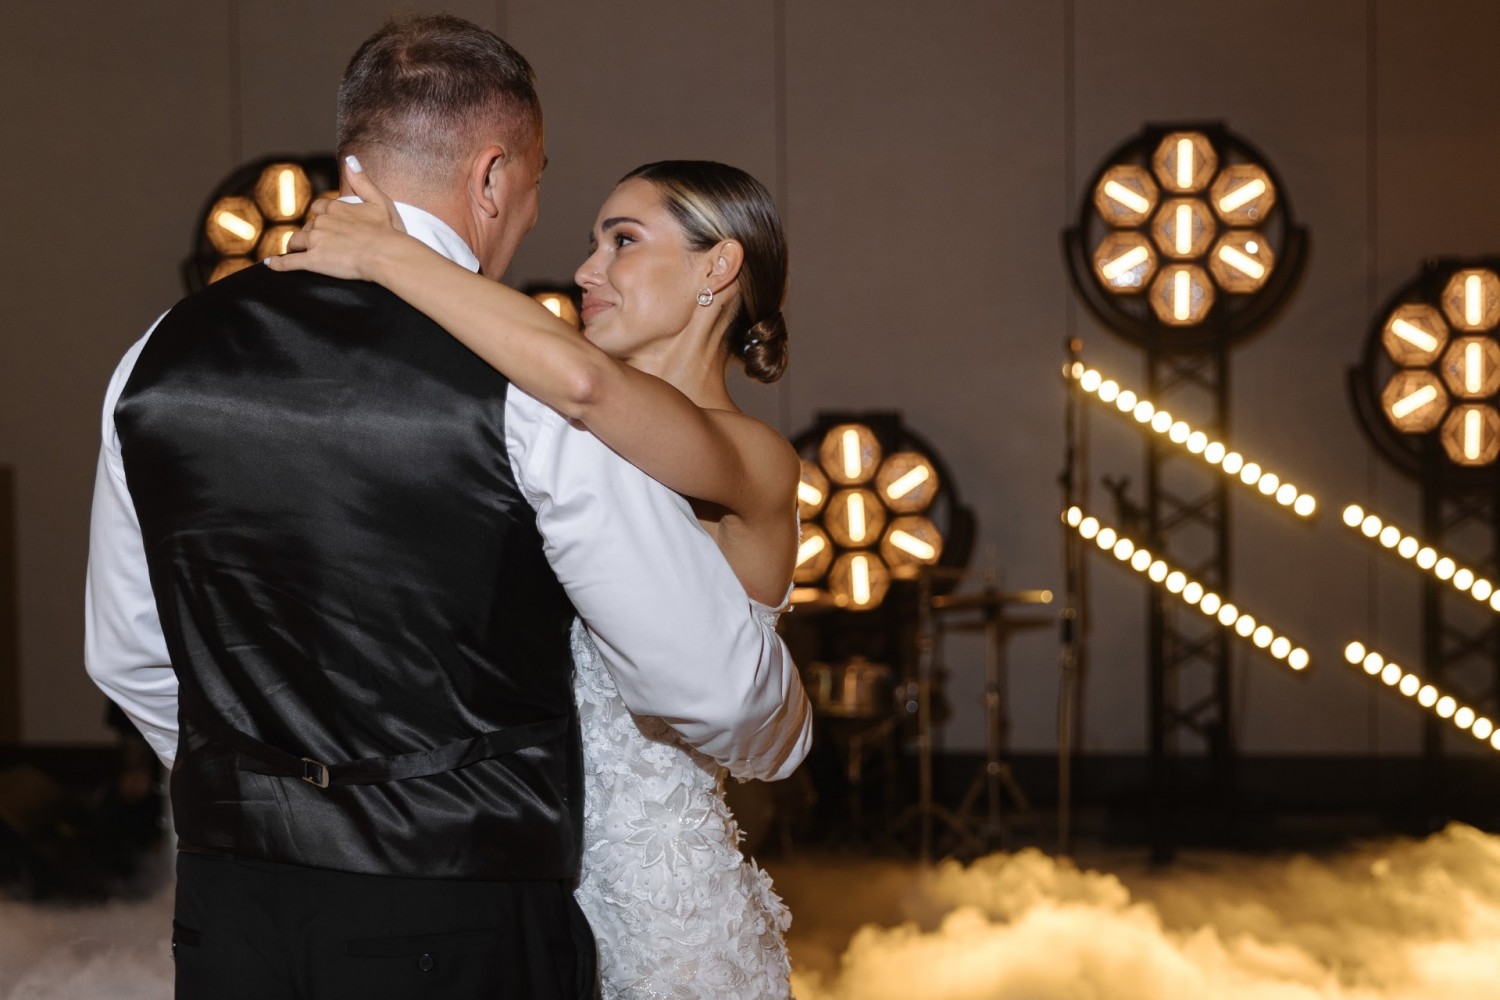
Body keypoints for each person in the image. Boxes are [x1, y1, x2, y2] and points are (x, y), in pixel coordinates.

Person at [83, 15, 809, 1000]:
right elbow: (716, 689)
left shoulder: (154, 356)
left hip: (234, 906)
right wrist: (789, 735)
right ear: (493, 177)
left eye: (621, 240)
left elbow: (128, 656)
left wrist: (270, 798)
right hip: (455, 906)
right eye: (541, 187)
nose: (565, 248)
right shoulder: (527, 390)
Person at [269, 156, 799, 996]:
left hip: (662, 925)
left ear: (718, 266)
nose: (587, 270)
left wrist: (388, 253)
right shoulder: (563, 441)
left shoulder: (754, 458)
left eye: (623, 241)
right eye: (593, 243)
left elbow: (583, 383)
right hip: (514, 889)